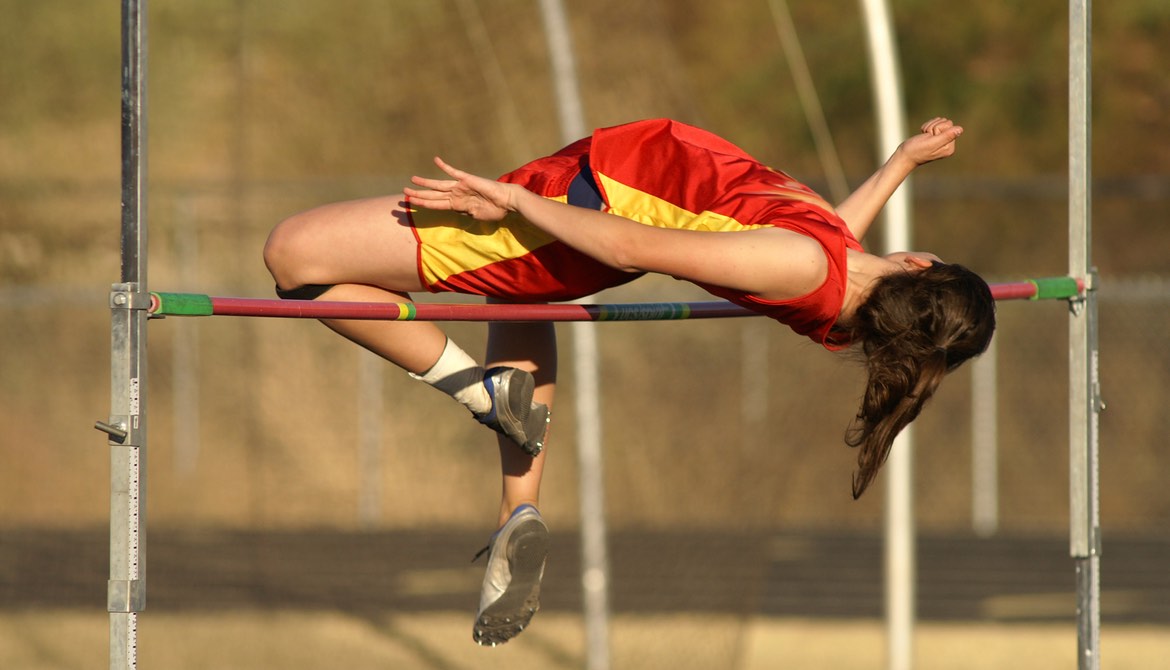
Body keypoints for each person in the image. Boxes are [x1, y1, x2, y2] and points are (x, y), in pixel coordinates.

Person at [262, 116, 996, 646]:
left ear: (920, 269)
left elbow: (632, 244)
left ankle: (477, 390)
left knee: (294, 256)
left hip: (578, 214)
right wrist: (900, 161)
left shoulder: (804, 266)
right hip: (581, 199)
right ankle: (518, 509)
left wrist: (518, 204)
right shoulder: (833, 259)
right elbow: (832, 235)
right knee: (516, 303)